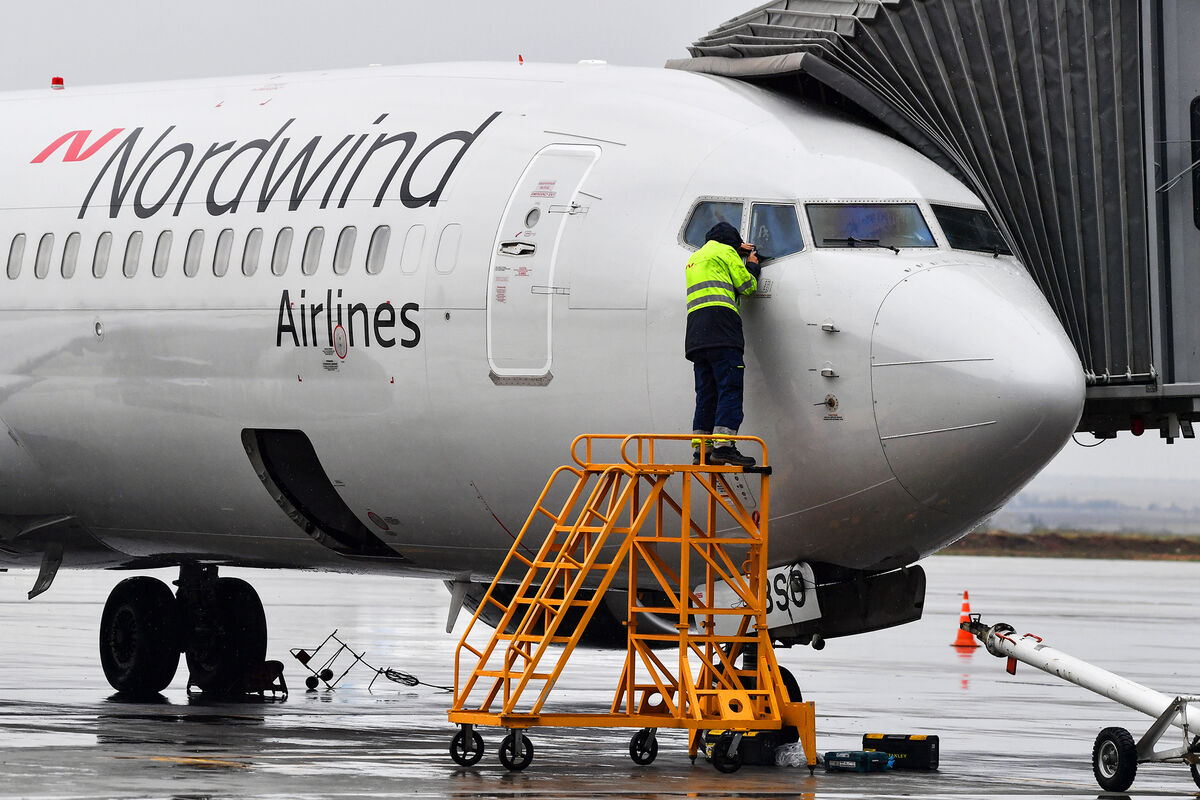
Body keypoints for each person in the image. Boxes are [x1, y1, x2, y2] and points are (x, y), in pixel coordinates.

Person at [685, 221, 761, 467]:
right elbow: (747, 286)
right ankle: (724, 446)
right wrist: (750, 264)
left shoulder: (695, 258)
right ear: (732, 242)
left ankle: (702, 450)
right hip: (722, 330)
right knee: (729, 387)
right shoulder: (726, 252)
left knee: (706, 392)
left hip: (696, 335)